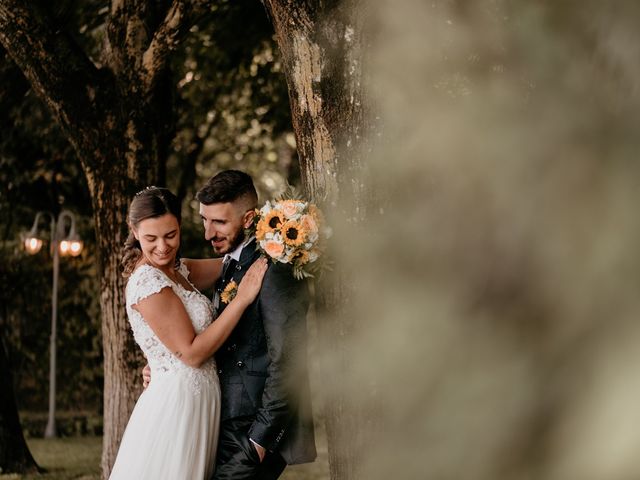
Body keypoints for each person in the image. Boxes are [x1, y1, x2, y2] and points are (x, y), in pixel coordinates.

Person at [145, 170, 317, 479]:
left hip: (250, 433)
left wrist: (259, 443)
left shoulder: (272, 269)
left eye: (219, 222)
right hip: (220, 422)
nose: (208, 233)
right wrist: (166, 366)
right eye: (204, 220)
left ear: (249, 218)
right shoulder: (230, 264)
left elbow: (289, 360)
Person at [109, 186, 268, 480]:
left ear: (180, 226)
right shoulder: (147, 281)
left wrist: (275, 235)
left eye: (170, 235)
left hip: (200, 402)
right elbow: (192, 353)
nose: (162, 247)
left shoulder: (177, 269)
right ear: (134, 231)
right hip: (176, 406)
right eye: (150, 239)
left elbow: (230, 265)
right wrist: (243, 298)